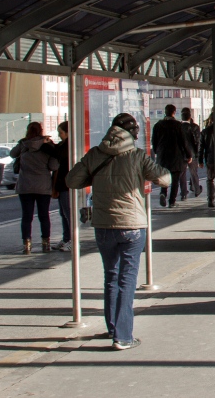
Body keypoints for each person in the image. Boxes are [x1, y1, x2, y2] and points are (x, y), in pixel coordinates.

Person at [66, 113, 170, 350]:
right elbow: (165, 179)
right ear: (132, 134)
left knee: (111, 277)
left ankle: (112, 327)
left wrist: (96, 177)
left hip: (103, 225)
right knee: (127, 280)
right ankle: (123, 336)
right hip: (132, 226)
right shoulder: (137, 156)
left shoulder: (95, 154)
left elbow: (72, 181)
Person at [12, 122, 59, 254]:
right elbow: (54, 166)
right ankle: (46, 242)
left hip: (25, 185)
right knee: (44, 215)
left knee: (27, 216)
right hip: (43, 186)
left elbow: (12, 154)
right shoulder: (47, 145)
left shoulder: (23, 144)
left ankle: (27, 243)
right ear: (41, 130)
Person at [152, 105, 193, 207]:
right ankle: (172, 202)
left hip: (162, 156)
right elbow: (183, 142)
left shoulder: (158, 125)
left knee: (164, 176)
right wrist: (189, 155)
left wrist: (158, 152)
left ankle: (163, 193)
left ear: (165, 112)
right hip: (176, 155)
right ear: (174, 112)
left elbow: (154, 142)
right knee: (175, 180)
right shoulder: (178, 125)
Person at [50, 121, 72, 251]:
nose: (59, 136)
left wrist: (50, 145)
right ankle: (66, 238)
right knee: (63, 213)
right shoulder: (63, 145)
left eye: (61, 133)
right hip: (62, 184)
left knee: (68, 213)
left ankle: (71, 240)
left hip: (66, 184)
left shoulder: (68, 146)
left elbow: (59, 154)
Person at [181, 107, 203, 200]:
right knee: (194, 172)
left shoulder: (179, 127)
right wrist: (198, 154)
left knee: (182, 174)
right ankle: (196, 190)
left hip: (181, 154)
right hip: (192, 153)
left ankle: (183, 193)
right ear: (190, 116)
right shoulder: (195, 127)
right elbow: (198, 141)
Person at [199, 113, 215, 208]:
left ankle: (211, 199)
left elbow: (201, 148)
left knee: (210, 180)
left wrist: (200, 160)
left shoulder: (205, 132)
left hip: (210, 159)